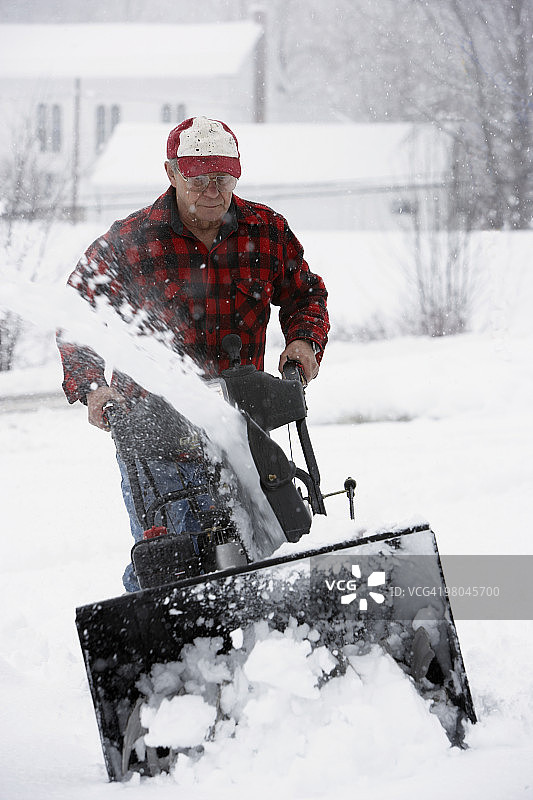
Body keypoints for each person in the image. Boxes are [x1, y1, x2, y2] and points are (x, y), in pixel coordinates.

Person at [57, 115, 329, 591]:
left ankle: (280, 646)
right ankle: (159, 642)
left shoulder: (266, 232)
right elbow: (76, 313)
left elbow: (305, 293)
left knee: (280, 540)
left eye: (222, 179)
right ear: (171, 173)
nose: (211, 190)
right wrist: (93, 387)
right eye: (198, 178)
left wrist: (303, 341)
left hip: (242, 419)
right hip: (155, 430)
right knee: (178, 559)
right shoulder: (129, 243)